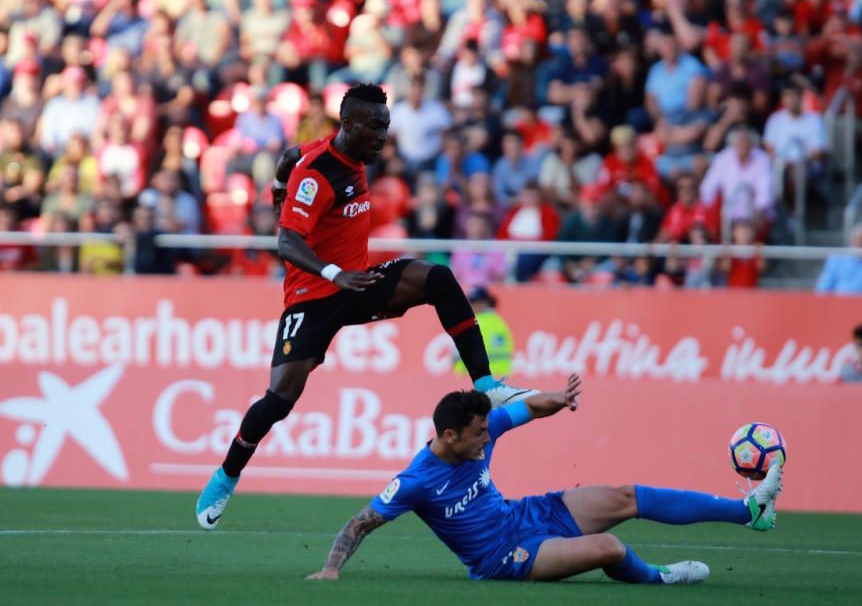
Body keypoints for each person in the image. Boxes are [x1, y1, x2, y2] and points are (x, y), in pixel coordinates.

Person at [197, 85, 535, 530]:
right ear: (349, 124)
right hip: (314, 295)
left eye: (386, 127)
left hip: (356, 283)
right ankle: (226, 475)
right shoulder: (317, 175)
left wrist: (278, 185)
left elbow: (286, 156)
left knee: (437, 278)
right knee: (279, 399)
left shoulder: (330, 153)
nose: (382, 136)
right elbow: (286, 240)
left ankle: (486, 384)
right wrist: (330, 267)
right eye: (375, 127)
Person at [305, 380, 783, 583]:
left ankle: (749, 513)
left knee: (625, 497)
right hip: (504, 557)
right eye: (477, 436)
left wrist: (556, 397)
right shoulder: (416, 481)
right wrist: (331, 568)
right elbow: (359, 523)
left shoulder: (481, 427)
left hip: (526, 514)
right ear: (449, 437)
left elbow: (528, 408)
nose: (485, 440)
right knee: (610, 549)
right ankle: (660, 578)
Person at [455, 287, 514, 379]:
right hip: (501, 380)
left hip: (476, 379)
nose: (469, 305)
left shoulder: (472, 322)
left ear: (485, 303)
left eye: (473, 301)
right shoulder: (500, 322)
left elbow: (460, 355)